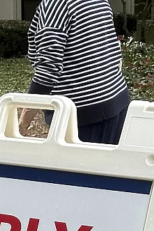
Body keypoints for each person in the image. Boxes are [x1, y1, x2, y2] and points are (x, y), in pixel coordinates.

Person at [21, 0, 129, 145]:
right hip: (116, 99)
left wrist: (22, 123)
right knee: (105, 166)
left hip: (82, 113)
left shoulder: (55, 4)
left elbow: (48, 71)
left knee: (76, 167)